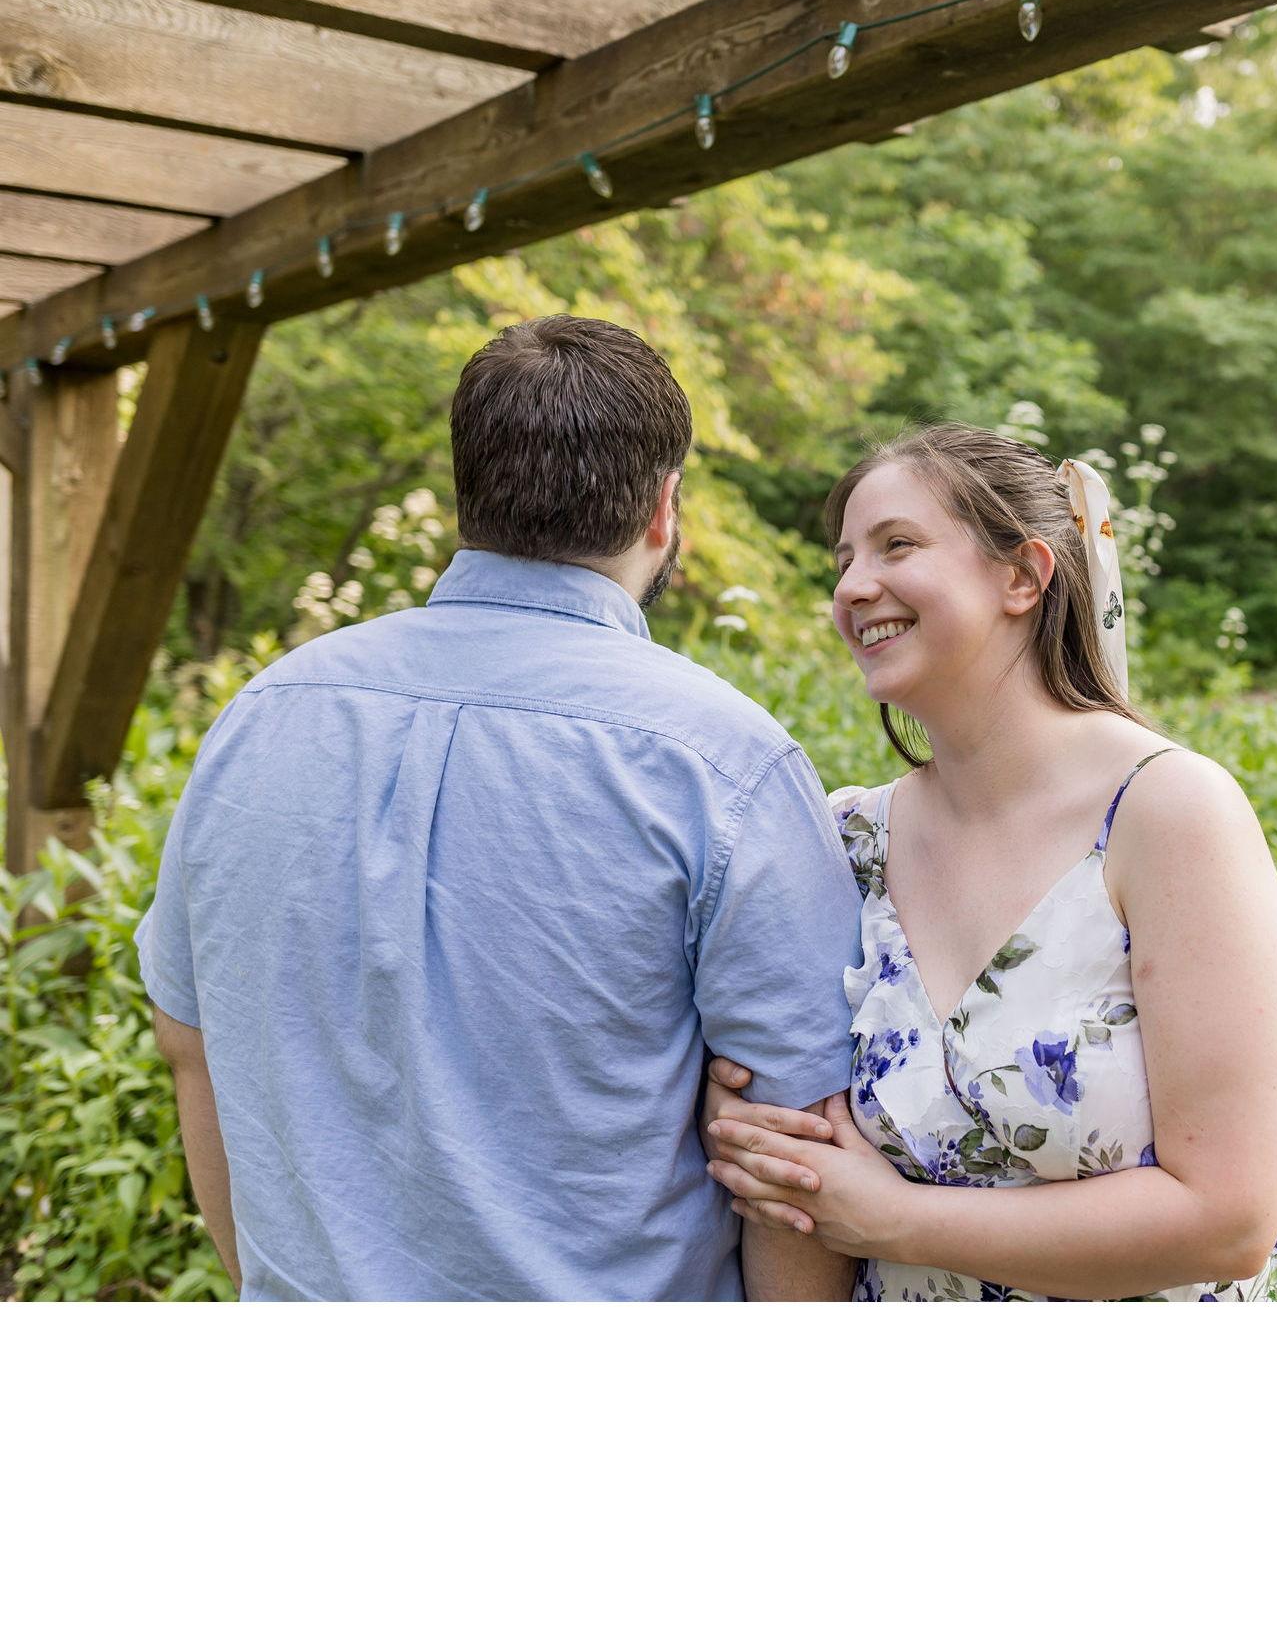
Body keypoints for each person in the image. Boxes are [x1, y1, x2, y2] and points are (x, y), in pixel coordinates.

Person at [138, 316, 858, 1302]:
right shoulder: (723, 760)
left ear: (464, 494)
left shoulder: (260, 715)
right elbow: (794, 1152)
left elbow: (190, 1041)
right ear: (662, 507)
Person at [703, 424, 1277, 1300]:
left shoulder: (1168, 814)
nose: (853, 586)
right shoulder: (845, 843)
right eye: (842, 561)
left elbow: (1229, 1221)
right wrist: (736, 1125)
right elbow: (784, 1120)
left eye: (896, 545)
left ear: (1022, 576)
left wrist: (891, 1218)